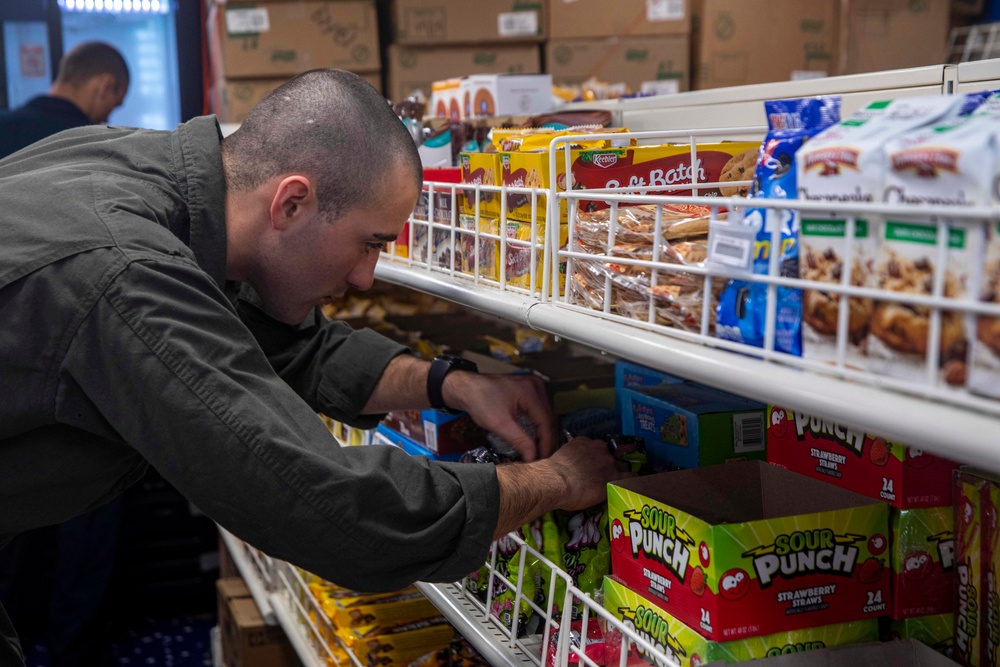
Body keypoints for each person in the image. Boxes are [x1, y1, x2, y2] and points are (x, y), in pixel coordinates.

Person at [0, 69, 627, 666]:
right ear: (292, 203)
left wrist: (451, 383)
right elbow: (334, 508)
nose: (366, 277)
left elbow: (288, 344)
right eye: (371, 243)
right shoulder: (127, 274)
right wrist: (554, 482)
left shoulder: (144, 171)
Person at [0, 40, 130, 667]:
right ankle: (78, 651)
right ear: (104, 87)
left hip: (6, 369)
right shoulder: (99, 150)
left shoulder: (5, 129)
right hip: (86, 368)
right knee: (89, 515)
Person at [0, 40, 129, 159]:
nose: (106, 119)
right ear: (105, 86)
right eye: (115, 105)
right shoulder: (95, 149)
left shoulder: (6, 125)